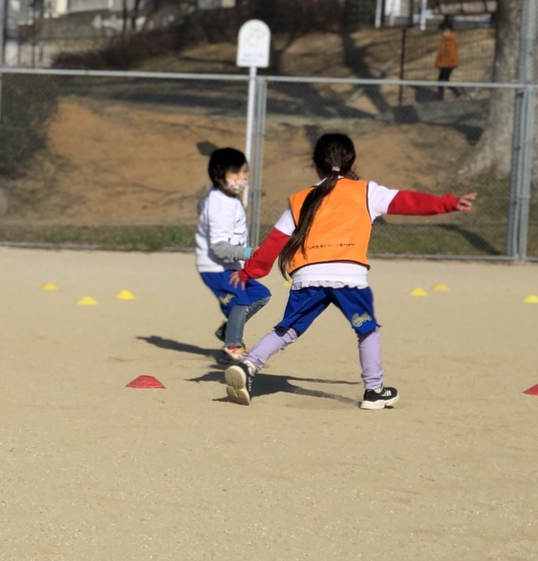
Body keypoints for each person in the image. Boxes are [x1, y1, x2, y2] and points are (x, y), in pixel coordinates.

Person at [222, 132, 474, 410]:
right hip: (348, 278)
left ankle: (248, 365)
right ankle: (374, 390)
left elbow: (274, 242)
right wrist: (448, 203)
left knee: (288, 328)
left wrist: (249, 272)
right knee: (367, 330)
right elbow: (408, 201)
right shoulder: (367, 191)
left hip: (307, 276)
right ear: (352, 163)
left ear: (314, 164)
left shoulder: (300, 199)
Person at [194, 146, 269, 361]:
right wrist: (249, 252)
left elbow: (200, 206)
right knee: (239, 299)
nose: (242, 177)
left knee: (260, 295)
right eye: (235, 172)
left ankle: (228, 330)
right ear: (219, 175)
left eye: (244, 172)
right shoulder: (219, 205)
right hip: (216, 266)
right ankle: (232, 346)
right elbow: (219, 247)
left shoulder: (222, 197)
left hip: (230, 265)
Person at [435, 17, 461, 99]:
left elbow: (448, 54)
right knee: (443, 80)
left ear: (447, 30)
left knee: (442, 80)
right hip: (447, 63)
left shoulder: (449, 40)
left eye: (444, 31)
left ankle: (441, 97)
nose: (442, 33)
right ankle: (456, 94)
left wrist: (441, 64)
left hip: (448, 64)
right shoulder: (446, 39)